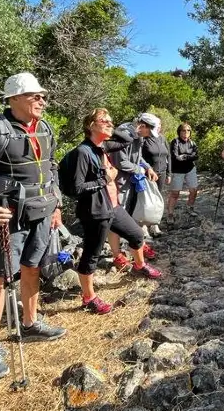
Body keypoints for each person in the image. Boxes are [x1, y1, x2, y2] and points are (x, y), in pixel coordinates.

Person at [0, 72, 67, 383]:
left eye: (42, 95)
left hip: (43, 210)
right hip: (10, 215)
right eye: (34, 96)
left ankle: (30, 321)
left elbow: (51, 168)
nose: (41, 100)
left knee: (33, 267)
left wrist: (57, 203)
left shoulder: (45, 128)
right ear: (14, 99)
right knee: (0, 278)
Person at [73, 109, 161, 299]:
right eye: (104, 121)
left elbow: (132, 151)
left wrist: (145, 165)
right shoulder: (86, 150)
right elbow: (77, 188)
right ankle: (90, 295)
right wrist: (107, 178)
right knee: (92, 253)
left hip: (113, 200)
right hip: (100, 204)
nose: (110, 124)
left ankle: (139, 265)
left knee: (136, 233)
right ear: (91, 125)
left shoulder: (108, 144)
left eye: (110, 121)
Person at [106, 113, 162, 263]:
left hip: (130, 181)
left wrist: (147, 167)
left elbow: (137, 157)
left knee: (131, 214)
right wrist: (140, 170)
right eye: (149, 131)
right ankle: (117, 255)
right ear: (142, 125)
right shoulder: (122, 134)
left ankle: (136, 245)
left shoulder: (139, 135)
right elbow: (120, 162)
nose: (149, 135)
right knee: (117, 218)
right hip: (119, 183)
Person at [141, 118, 170, 237]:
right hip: (148, 173)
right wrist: (147, 169)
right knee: (146, 200)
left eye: (159, 124)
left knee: (157, 199)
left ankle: (154, 225)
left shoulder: (162, 138)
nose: (158, 127)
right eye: (155, 125)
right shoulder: (144, 139)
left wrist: (169, 173)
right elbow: (138, 157)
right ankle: (143, 227)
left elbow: (169, 157)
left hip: (162, 173)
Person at [167, 122, 200, 220]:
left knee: (194, 190)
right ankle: (170, 214)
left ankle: (190, 207)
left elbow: (196, 156)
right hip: (178, 170)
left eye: (188, 131)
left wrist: (185, 156)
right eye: (183, 131)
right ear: (179, 132)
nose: (186, 133)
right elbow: (176, 157)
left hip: (190, 169)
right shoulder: (175, 142)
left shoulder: (192, 143)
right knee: (175, 193)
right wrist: (189, 157)